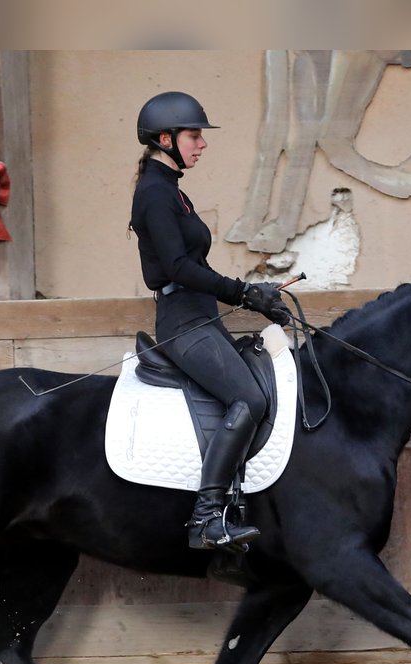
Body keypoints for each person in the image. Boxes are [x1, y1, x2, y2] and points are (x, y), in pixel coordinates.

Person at [129, 90, 292, 551]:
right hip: (183, 323)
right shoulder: (154, 194)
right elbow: (180, 269)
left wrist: (254, 296)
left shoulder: (173, 191)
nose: (201, 144)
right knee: (249, 398)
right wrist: (245, 291)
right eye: (194, 135)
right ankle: (206, 518)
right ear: (165, 138)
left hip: (202, 317)